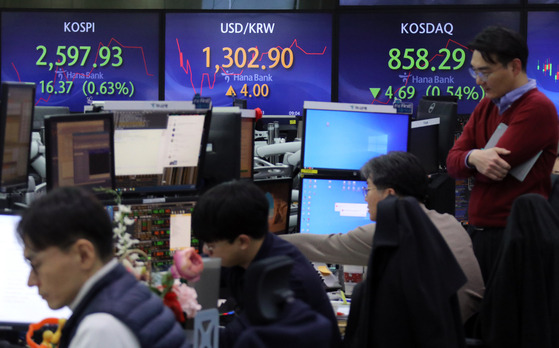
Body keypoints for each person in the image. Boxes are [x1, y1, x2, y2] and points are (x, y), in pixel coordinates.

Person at [282, 151, 485, 323]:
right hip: (461, 328)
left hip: (430, 334)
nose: (365, 197)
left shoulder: (393, 229)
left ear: (388, 194)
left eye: (368, 189)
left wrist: (264, 240)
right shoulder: (450, 221)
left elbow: (326, 246)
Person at [446, 26, 559, 283]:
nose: (478, 80)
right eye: (474, 71)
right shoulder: (487, 104)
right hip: (484, 233)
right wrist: (473, 157)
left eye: (485, 72)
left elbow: (493, 172)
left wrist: (470, 159)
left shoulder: (537, 108)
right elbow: (453, 162)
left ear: (514, 67)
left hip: (516, 239)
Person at [17, 187, 188, 348]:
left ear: (84, 255)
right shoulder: (128, 291)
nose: (30, 281)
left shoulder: (100, 329)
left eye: (36, 265)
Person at [191, 180, 342, 348]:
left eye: (210, 246)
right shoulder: (248, 250)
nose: (205, 251)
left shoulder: (286, 281)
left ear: (242, 241)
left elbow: (232, 340)